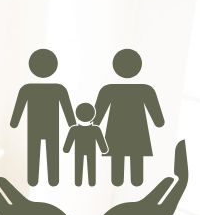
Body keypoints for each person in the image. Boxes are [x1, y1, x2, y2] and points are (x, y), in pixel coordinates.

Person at [93, 48, 165, 186]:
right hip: (138, 133)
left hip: (116, 133)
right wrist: (158, 122)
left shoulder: (108, 90)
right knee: (136, 163)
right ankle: (136, 181)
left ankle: (120, 181)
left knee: (117, 166)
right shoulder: (146, 90)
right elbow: (158, 119)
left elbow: (96, 117)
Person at [9, 48, 76, 186]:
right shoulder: (58, 89)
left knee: (41, 151)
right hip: (47, 126)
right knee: (46, 151)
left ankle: (44, 178)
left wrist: (15, 122)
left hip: (40, 126)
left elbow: (66, 108)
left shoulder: (29, 89)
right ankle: (50, 178)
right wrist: (72, 123)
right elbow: (67, 109)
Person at [62, 102, 109, 186]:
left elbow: (67, 147)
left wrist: (66, 149)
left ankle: (78, 182)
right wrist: (104, 150)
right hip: (91, 151)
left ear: (77, 115)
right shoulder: (95, 129)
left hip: (78, 151)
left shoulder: (74, 129)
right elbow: (103, 146)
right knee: (91, 165)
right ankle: (92, 182)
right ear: (93, 115)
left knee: (78, 165)